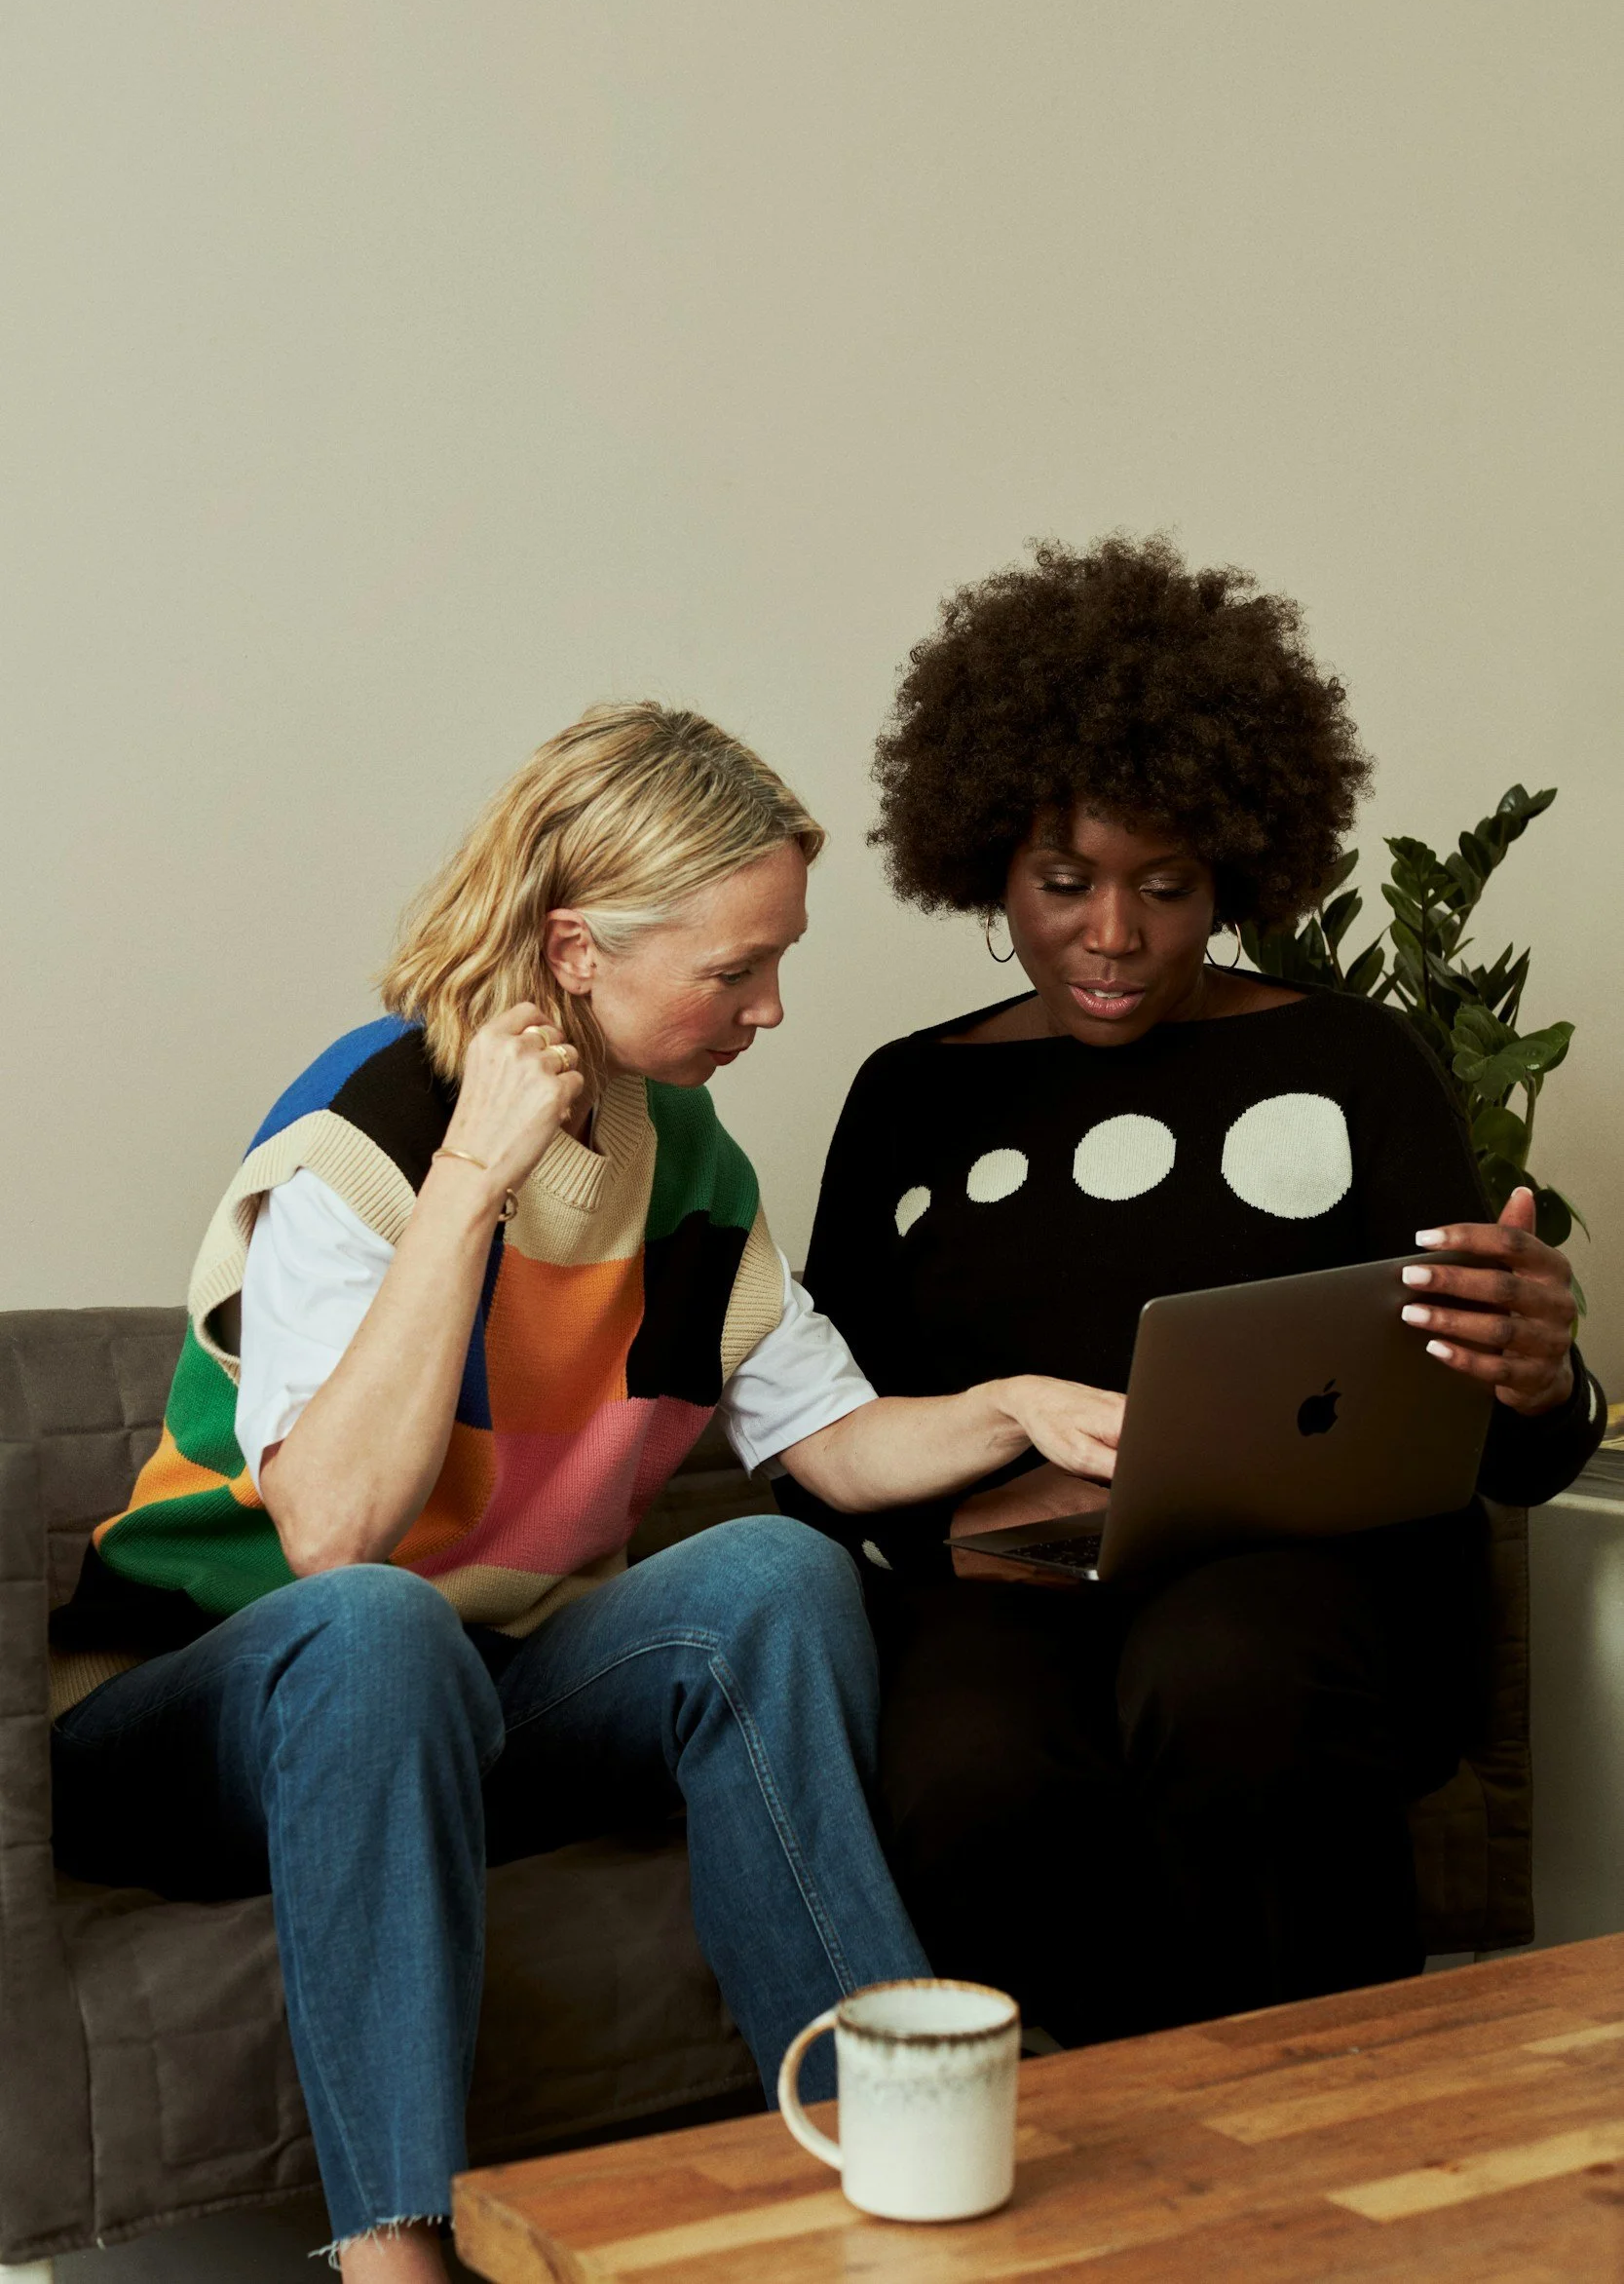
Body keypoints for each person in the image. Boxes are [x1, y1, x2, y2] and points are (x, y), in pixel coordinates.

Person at [48, 703, 1120, 2283]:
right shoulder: (367, 1132)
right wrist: (474, 1181)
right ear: (574, 950)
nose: (769, 1009)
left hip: (472, 1700)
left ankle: (891, 2156)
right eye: (732, 969)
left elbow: (827, 1443)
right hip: (196, 1713)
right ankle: (395, 2255)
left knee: (770, 1573)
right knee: (371, 1624)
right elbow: (332, 1532)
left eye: (777, 962)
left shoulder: (683, 1160)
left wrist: (1014, 1406)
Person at [777, 535, 1606, 2050]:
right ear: (985, 867)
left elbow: (1507, 1443)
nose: (1110, 935)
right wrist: (958, 1520)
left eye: (1162, 887)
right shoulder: (906, 1100)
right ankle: (1102, 2174)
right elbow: (816, 1437)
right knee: (964, 1757)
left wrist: (1545, 1377)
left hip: (1315, 1600)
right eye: (1063, 883)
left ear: (1230, 866)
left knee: (1223, 1672)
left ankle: (1315, 2128)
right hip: (1006, 1601)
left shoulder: (1348, 1063)